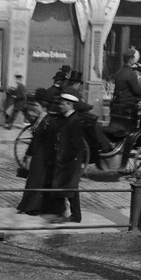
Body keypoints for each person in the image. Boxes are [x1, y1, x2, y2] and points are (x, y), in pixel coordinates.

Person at [16, 93, 63, 217]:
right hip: (37, 156)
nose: (35, 108)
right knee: (32, 180)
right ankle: (27, 205)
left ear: (44, 107)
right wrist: (27, 154)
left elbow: (51, 143)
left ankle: (33, 207)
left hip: (43, 157)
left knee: (38, 181)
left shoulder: (49, 122)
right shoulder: (39, 120)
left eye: (37, 106)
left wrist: (48, 159)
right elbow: (34, 139)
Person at [52, 92, 86, 223]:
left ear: (70, 105)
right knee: (68, 187)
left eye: (63, 103)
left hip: (70, 161)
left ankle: (73, 215)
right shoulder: (66, 118)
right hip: (65, 159)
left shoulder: (75, 120)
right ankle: (72, 214)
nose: (60, 106)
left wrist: (65, 159)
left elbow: (76, 144)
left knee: (69, 187)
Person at [110, 48, 141, 121]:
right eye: (133, 59)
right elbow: (137, 91)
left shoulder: (119, 72)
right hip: (128, 104)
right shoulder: (131, 74)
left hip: (118, 102)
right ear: (131, 60)